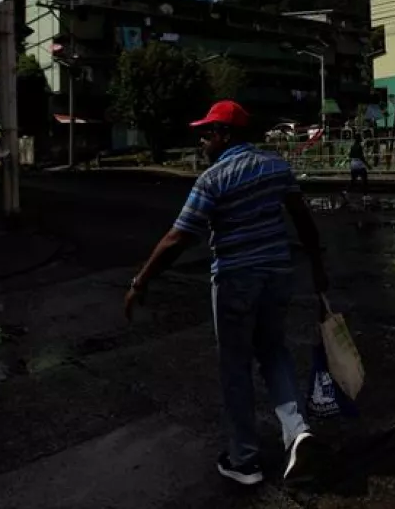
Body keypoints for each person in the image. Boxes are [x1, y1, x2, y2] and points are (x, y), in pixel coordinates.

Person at [124, 100, 329, 486]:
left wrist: (140, 282)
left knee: (234, 367)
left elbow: (177, 239)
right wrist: (318, 268)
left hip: (236, 279)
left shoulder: (213, 179)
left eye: (207, 132)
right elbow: (303, 220)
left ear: (225, 135)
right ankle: (298, 433)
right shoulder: (276, 166)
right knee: (273, 351)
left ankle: (244, 460)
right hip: (278, 274)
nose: (202, 140)